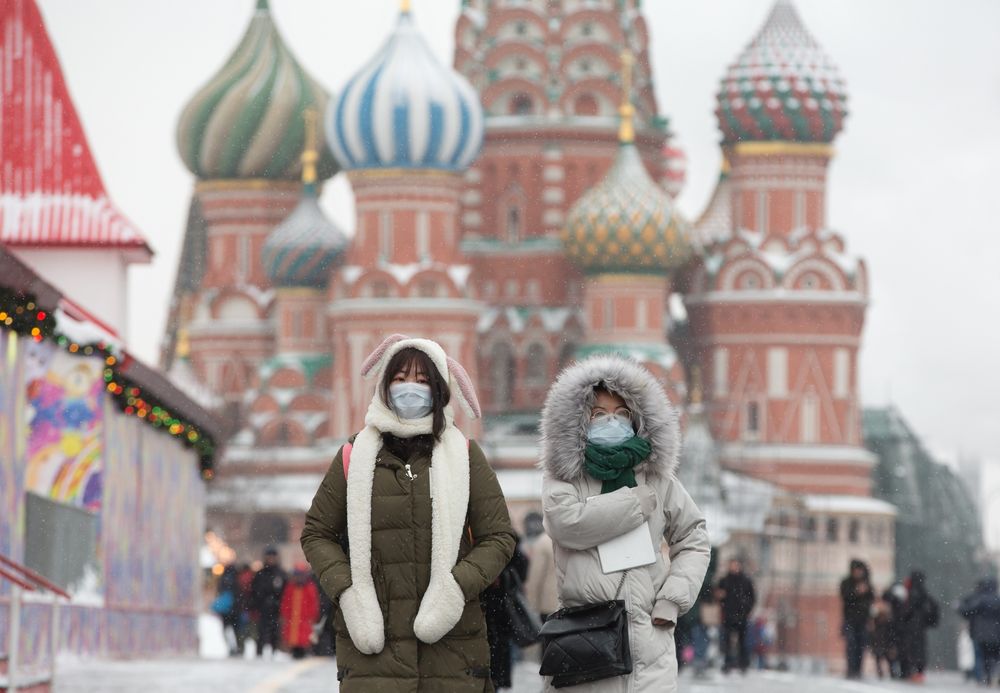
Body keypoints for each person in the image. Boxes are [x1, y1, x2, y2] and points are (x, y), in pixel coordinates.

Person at [301, 335, 516, 691]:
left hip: (452, 650)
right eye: (399, 379)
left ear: (439, 389)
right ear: (384, 387)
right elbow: (316, 533)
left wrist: (456, 588)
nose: (409, 388)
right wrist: (349, 592)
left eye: (421, 380)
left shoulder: (464, 455)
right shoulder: (354, 456)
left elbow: (498, 537)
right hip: (373, 654)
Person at [539, 355, 711, 693]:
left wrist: (672, 599)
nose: (611, 422)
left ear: (637, 421)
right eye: (599, 415)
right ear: (579, 422)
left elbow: (694, 536)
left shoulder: (659, 480)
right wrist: (635, 502)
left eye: (621, 415)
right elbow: (568, 524)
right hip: (587, 645)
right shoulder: (565, 479)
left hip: (651, 646)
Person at [482, 541, 529, 690]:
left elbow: (521, 565)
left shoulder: (502, 538)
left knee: (495, 656)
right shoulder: (504, 538)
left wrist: (501, 577)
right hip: (493, 611)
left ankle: (495, 682)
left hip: (495, 610)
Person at [896, 570, 939, 682]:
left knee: (910, 650)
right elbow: (934, 608)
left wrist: (902, 618)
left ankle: (910, 672)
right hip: (921, 627)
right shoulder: (924, 593)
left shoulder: (911, 593)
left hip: (910, 627)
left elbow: (907, 611)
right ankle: (919, 672)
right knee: (920, 650)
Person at [716, 558, 756, 674]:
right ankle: (728, 663)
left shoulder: (746, 580)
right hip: (728, 615)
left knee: (742, 641)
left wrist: (746, 610)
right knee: (727, 641)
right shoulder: (724, 580)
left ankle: (743, 664)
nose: (734, 567)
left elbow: (752, 597)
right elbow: (718, 595)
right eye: (732, 565)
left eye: (736, 565)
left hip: (742, 615)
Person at [960, 577, 1000, 685]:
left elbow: (967, 611)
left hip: (980, 633)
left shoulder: (980, 600)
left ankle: (981, 677)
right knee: (995, 657)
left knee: (980, 656)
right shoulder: (998, 599)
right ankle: (993, 675)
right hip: (996, 634)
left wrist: (959, 607)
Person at [840, 558, 874, 679]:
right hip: (850, 619)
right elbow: (846, 597)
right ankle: (851, 669)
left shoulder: (867, 584)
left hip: (862, 620)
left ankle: (858, 670)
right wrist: (856, 592)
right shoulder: (846, 583)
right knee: (851, 644)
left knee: (861, 646)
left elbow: (870, 601)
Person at [251, 547, 287, 658]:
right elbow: (254, 591)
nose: (271, 560)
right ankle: (259, 652)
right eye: (269, 557)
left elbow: (285, 592)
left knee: (275, 632)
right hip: (263, 608)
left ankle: (274, 651)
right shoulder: (260, 574)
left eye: (273, 557)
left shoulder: (281, 573)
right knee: (261, 631)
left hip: (277, 608)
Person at [522, 512, 558, 622]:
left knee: (551, 637)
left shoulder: (542, 542)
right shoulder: (568, 538)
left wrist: (532, 602)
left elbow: (535, 576)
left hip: (549, 602)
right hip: (571, 601)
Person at [280, 563, 320, 659]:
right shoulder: (290, 587)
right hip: (293, 618)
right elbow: (286, 602)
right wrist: (285, 614)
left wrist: (312, 616)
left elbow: (313, 603)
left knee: (304, 637)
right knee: (293, 636)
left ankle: (302, 651)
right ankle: (295, 651)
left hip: (304, 618)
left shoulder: (310, 587)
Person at [212, 564, 241, 656]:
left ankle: (231, 646)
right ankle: (236, 646)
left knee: (226, 628)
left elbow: (219, 592)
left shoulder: (223, 580)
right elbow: (239, 594)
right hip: (235, 609)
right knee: (235, 629)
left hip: (225, 610)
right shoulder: (237, 580)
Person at [871, 599, 893, 679]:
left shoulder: (889, 620)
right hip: (878, 642)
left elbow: (891, 633)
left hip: (886, 642)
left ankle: (891, 672)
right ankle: (880, 673)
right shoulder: (875, 620)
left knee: (889, 659)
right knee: (878, 658)